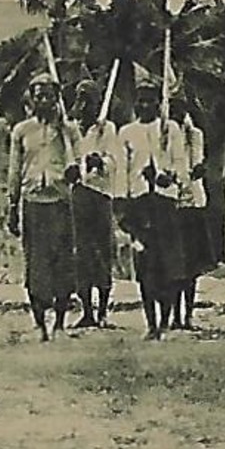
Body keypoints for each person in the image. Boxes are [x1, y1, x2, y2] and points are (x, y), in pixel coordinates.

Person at [118, 75, 191, 339]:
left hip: (165, 203)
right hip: (139, 205)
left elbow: (181, 164)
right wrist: (123, 207)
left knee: (168, 265)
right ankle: (150, 323)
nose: (145, 106)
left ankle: (165, 320)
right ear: (136, 104)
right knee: (145, 266)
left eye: (151, 101)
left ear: (159, 103)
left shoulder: (170, 129)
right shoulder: (126, 133)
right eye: (141, 101)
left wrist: (169, 176)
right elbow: (122, 173)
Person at [8, 73, 80, 341]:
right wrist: (12, 204)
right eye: (38, 95)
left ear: (56, 98)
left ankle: (60, 323)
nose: (43, 100)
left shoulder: (68, 131)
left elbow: (78, 165)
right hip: (32, 204)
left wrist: (75, 170)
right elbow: (14, 171)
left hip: (60, 203)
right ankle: (40, 324)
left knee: (62, 264)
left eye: (48, 95)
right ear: (31, 98)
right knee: (35, 265)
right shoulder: (21, 131)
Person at [71, 79, 121, 329]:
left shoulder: (106, 129)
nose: (84, 105)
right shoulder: (71, 129)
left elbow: (115, 161)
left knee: (102, 252)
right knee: (81, 253)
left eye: (89, 100)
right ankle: (86, 310)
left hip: (100, 196)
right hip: (77, 195)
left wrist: (99, 161)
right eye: (80, 99)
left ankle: (102, 310)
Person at [170, 97, 214, 330]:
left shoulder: (193, 135)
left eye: (180, 111)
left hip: (192, 204)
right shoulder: (163, 134)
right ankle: (174, 315)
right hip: (171, 204)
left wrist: (196, 170)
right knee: (174, 265)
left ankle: (186, 315)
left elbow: (197, 162)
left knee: (191, 267)